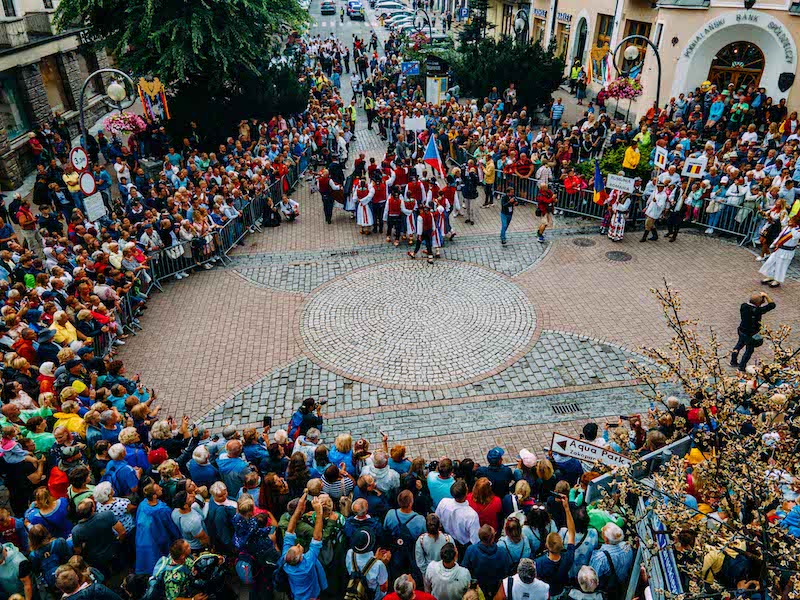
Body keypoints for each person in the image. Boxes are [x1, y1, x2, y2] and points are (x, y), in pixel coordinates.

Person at [280, 491, 327, 600]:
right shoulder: (308, 563)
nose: (298, 545)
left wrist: (298, 510)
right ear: (301, 558)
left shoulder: (285, 560)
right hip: (312, 595)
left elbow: (289, 531)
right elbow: (317, 538)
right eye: (298, 548)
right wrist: (319, 512)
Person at [731, 292, 776, 370]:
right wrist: (766, 296)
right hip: (751, 334)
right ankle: (741, 367)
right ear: (759, 303)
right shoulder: (758, 310)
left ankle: (733, 361)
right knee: (749, 350)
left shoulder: (743, 306)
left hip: (742, 330)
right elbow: (772, 305)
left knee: (739, 345)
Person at [589, 523, 634, 600]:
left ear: (606, 539)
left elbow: (592, 579)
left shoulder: (600, 558)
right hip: (622, 583)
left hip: (606, 590)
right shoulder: (627, 546)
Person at [759, 215, 800, 287]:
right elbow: (780, 235)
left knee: (781, 265)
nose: (789, 221)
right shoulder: (787, 227)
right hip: (779, 248)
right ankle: (770, 276)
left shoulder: (798, 230)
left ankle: (777, 280)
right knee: (771, 262)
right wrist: (774, 243)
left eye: (791, 221)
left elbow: (796, 236)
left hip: (787, 251)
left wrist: (792, 228)